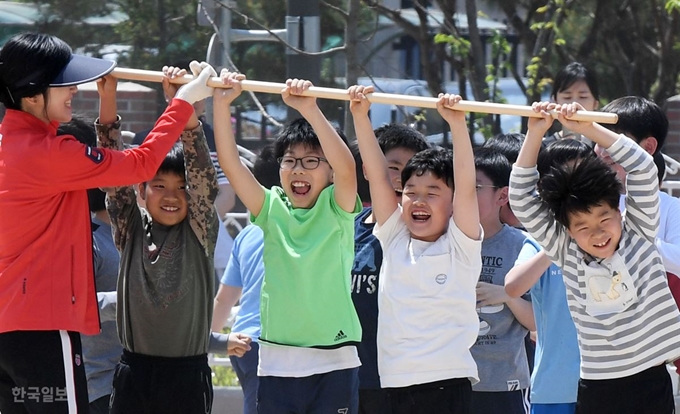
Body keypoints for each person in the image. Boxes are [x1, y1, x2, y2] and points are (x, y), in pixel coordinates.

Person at [0, 33, 215, 414]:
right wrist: (185, 101)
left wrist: (108, 100)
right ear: (32, 95)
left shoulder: (10, 146)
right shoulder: (49, 154)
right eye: (62, 84)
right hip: (41, 328)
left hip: (11, 328)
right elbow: (142, 165)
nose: (73, 91)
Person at [98, 63, 251, 414]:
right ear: (141, 189)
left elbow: (203, 181)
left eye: (181, 188)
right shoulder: (130, 229)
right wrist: (108, 97)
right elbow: (114, 176)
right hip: (134, 371)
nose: (171, 195)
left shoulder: (200, 231)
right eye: (159, 186)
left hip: (185, 375)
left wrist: (188, 111)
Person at [509, 101, 680, 413]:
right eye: (584, 227)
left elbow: (642, 165)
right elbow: (520, 198)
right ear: (568, 230)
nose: (598, 234)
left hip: (652, 378)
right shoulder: (565, 249)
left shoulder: (639, 231)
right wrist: (535, 133)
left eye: (604, 220)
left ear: (619, 210)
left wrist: (587, 128)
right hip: (598, 385)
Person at [215, 72, 362, 413]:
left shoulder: (337, 207)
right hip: (277, 360)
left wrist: (310, 109)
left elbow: (348, 169)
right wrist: (222, 105)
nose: (298, 170)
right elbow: (232, 166)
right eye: (290, 161)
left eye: (311, 161)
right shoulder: (271, 207)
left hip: (335, 359)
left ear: (328, 173)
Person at [349, 85, 482, 414]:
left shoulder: (460, 246)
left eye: (433, 192)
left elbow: (465, 184)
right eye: (411, 191)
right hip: (393, 383)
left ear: (451, 203)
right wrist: (360, 117)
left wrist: (457, 124)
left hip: (447, 383)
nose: (419, 201)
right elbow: (380, 177)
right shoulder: (393, 236)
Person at [505, 139, 594, 414]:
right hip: (553, 386)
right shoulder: (535, 243)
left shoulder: (607, 237)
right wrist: (556, 244)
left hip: (605, 383)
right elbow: (512, 286)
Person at [597, 96, 680, 376]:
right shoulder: (594, 206)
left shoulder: (671, 207)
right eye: (598, 136)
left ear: (648, 147)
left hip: (659, 344)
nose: (602, 149)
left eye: (613, 139)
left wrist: (629, 238)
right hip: (604, 343)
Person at [349, 123, 429, 413]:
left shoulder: (426, 235)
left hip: (403, 384)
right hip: (347, 379)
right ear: (369, 168)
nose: (401, 179)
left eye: (412, 171)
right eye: (393, 167)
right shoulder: (346, 227)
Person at [56, 118, 124, 414]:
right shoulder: (81, 238)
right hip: (94, 389)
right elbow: (64, 305)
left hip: (122, 384)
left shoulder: (120, 231)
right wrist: (132, 304)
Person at [211, 143, 280, 414]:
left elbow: (225, 298)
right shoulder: (294, 234)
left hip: (243, 342)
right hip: (270, 345)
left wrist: (207, 343)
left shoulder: (247, 235)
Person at [470, 147, 534, 414]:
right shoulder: (441, 240)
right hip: (451, 380)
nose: (463, 195)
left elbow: (535, 321)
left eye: (475, 187)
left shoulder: (522, 245)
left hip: (505, 383)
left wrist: (508, 294)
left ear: (502, 195)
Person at [544, 62, 600, 146]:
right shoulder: (542, 147)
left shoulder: (606, 148)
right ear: (555, 101)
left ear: (596, 103)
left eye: (583, 97)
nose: (574, 104)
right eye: (567, 97)